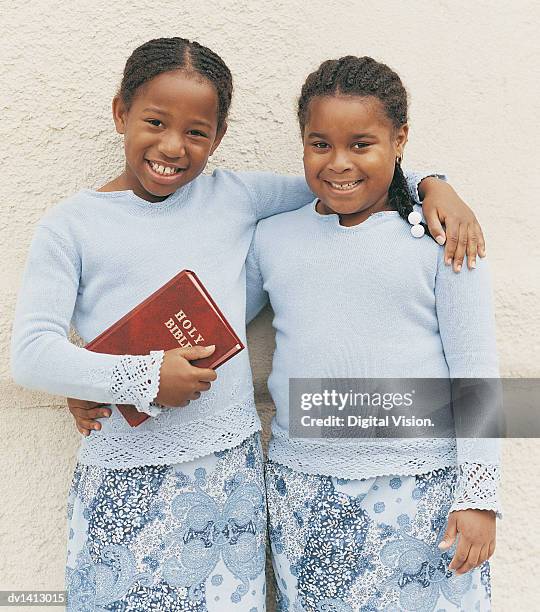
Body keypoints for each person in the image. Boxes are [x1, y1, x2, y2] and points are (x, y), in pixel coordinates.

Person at [12, 36, 483, 611]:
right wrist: (113, 379)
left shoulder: (239, 198)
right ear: (120, 112)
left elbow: (346, 183)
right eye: (155, 121)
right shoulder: (71, 225)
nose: (172, 146)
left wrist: (436, 183)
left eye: (196, 131)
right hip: (126, 472)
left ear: (220, 135)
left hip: (231, 476)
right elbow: (32, 352)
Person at [244, 56, 500, 611]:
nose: (339, 163)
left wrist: (480, 497)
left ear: (400, 139)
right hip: (305, 492)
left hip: (425, 492)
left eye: (361, 144)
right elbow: (217, 330)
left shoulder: (442, 238)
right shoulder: (273, 238)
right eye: (319, 144)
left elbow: (476, 373)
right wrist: (114, 375)